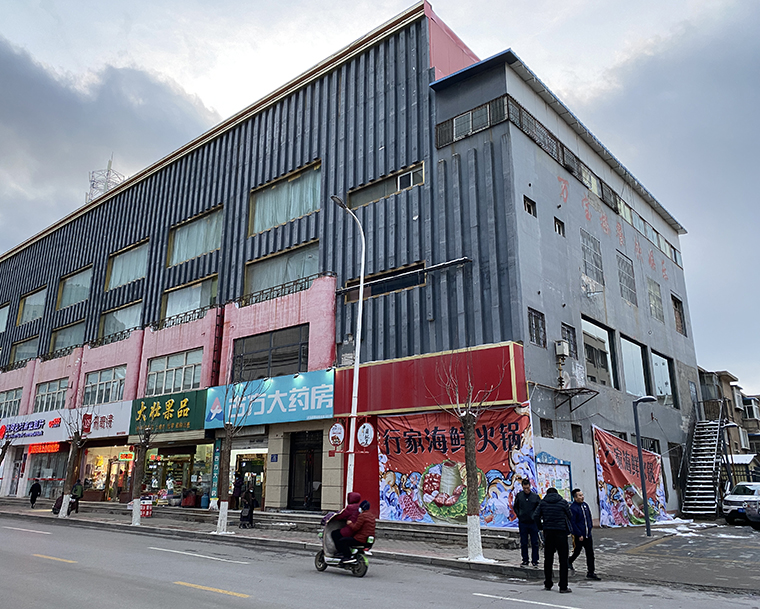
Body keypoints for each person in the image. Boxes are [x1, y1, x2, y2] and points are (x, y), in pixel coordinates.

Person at [533, 487, 573, 594]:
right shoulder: (563, 502)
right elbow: (570, 515)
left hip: (548, 533)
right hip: (561, 533)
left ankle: (548, 583)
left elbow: (535, 516)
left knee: (548, 559)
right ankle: (563, 586)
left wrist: (541, 527)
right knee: (563, 560)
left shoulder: (543, 503)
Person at [569, 488, 601, 580]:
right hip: (579, 535)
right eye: (580, 495)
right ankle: (569, 561)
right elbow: (573, 523)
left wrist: (590, 528)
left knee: (590, 554)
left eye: (582, 495)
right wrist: (579, 534)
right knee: (577, 551)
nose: (582, 497)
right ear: (575, 498)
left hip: (588, 535)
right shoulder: (573, 508)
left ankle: (591, 572)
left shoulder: (585, 505)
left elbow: (589, 518)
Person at [514, 478, 541, 567]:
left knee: (535, 542)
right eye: (525, 488)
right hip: (523, 522)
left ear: (530, 486)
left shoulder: (535, 497)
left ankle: (535, 560)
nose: (526, 490)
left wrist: (535, 517)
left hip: (533, 523)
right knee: (524, 542)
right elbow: (515, 507)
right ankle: (525, 559)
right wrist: (519, 515)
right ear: (522, 487)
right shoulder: (519, 496)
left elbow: (539, 507)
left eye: (528, 488)